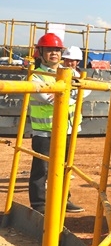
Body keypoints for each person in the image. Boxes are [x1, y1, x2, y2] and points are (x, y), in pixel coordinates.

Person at [28, 33, 84, 214]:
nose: (54, 53)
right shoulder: (36, 76)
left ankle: (63, 199)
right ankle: (39, 204)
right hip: (44, 131)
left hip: (67, 129)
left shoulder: (71, 73)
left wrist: (63, 95)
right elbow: (46, 98)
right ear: (41, 52)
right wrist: (72, 94)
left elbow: (85, 90)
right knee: (41, 169)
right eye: (50, 50)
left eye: (57, 50)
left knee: (65, 167)